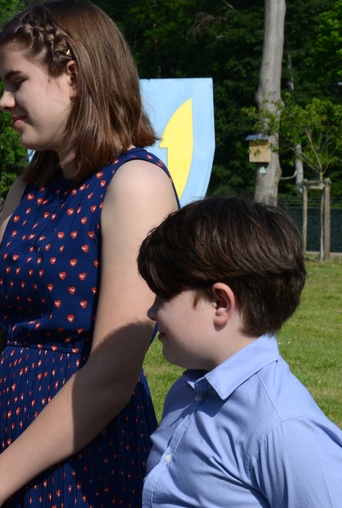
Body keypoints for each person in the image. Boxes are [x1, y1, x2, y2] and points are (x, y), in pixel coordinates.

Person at [0, 0, 179, 508]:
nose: (4, 100)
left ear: (72, 75)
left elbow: (112, 371)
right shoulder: (27, 188)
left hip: (84, 462)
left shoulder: (135, 184)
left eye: (16, 81)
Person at [138, 196, 342, 507]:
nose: (152, 312)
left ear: (220, 302)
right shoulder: (187, 390)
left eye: (163, 295)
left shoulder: (284, 429)